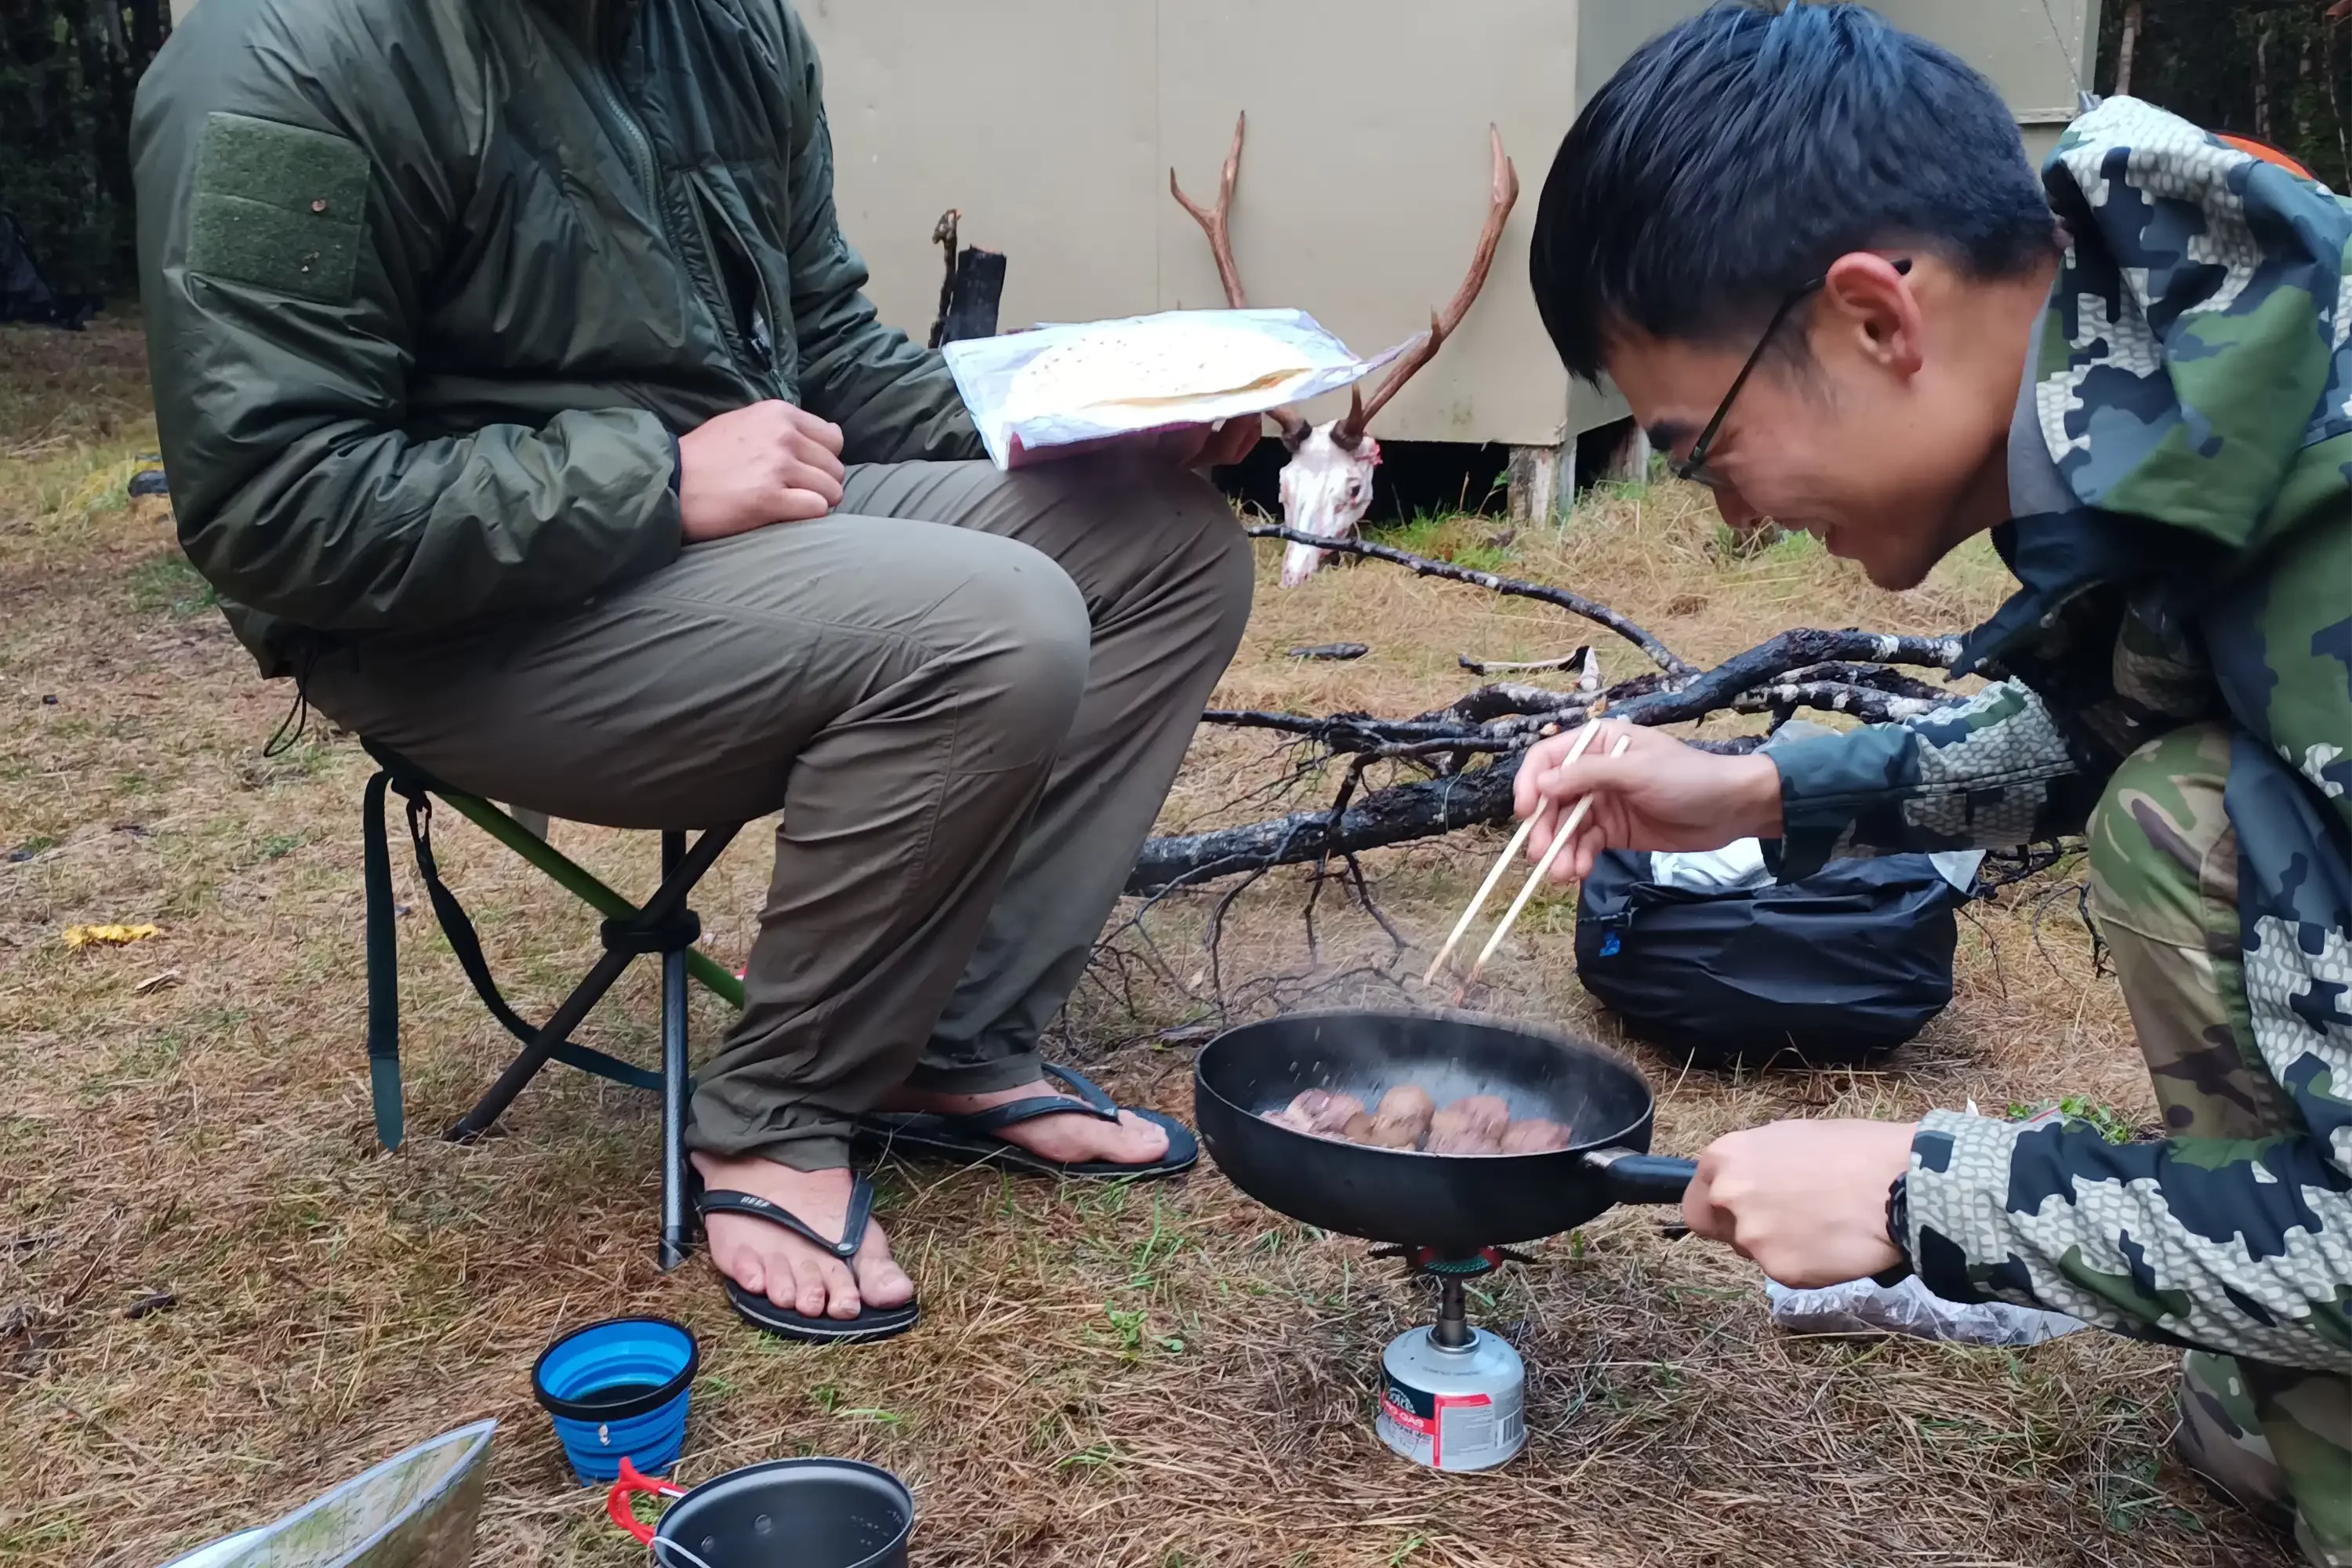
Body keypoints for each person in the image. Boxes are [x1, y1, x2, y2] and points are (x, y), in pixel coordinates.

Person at [131, 0, 1258, 1345]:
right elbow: (272, 506)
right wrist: (654, 480)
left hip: (718, 544)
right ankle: (776, 1120)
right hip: (448, 624)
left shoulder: (726, 31)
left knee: (1168, 547)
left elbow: (830, 352)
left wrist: (1101, 427)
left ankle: (948, 1045)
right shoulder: (291, 56)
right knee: (992, 615)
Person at [1522, 3, 2352, 1558]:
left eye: (1705, 452)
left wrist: (1927, 1196)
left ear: (1870, 321)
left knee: (2194, 826)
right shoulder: (2182, 380)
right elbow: (2116, 725)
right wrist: (1759, 791)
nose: (1733, 526)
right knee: (2182, 794)